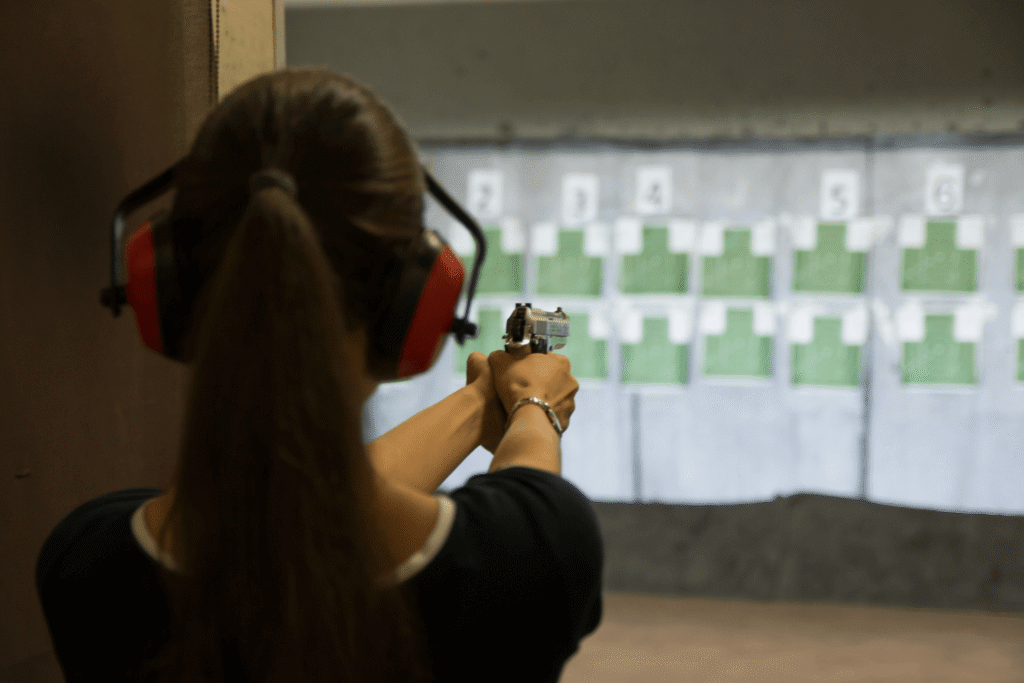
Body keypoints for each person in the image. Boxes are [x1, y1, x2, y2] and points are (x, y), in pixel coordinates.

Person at [34, 69, 604, 683]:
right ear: (414, 311)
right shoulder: (531, 560)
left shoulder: (89, 565)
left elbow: (298, 509)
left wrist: (478, 404)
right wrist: (534, 405)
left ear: (167, 295)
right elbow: (526, 507)